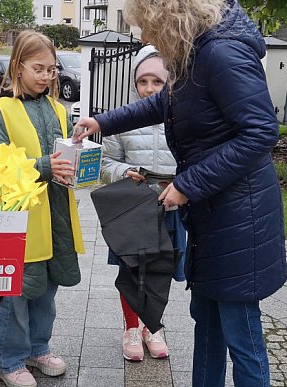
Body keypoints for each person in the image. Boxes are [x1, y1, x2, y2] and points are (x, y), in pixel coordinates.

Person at [75, 0, 287, 385]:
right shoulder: (198, 52)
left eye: (147, 26)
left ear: (168, 18)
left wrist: (187, 185)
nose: (144, 36)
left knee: (241, 332)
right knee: (205, 322)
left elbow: (260, 132)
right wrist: (102, 121)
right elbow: (165, 104)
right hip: (213, 214)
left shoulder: (221, 52)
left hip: (241, 218)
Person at [0, 30, 85, 387]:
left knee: (47, 289)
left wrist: (80, 155)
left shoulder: (59, 109)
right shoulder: (2, 109)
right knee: (15, 293)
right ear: (18, 67)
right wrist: (44, 166)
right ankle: (10, 360)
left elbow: (66, 154)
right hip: (18, 220)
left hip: (55, 214)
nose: (46, 76)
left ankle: (38, 348)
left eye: (52, 70)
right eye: (38, 69)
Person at [99, 45, 185, 362]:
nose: (149, 88)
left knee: (161, 270)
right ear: (135, 83)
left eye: (157, 82)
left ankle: (153, 326)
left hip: (169, 207)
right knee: (131, 271)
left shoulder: (181, 116)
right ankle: (131, 327)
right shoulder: (122, 120)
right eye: (143, 81)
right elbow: (105, 164)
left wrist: (182, 181)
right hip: (131, 209)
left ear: (169, 82)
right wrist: (126, 171)